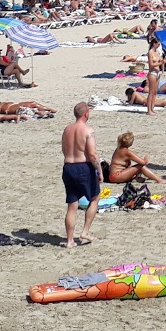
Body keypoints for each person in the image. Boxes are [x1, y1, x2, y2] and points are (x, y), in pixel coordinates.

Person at [61, 102, 99, 248]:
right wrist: (99, 171)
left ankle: (70, 240)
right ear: (86, 114)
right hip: (83, 166)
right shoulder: (88, 130)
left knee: (72, 205)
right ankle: (85, 231)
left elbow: (64, 149)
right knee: (94, 198)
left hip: (68, 166)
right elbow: (92, 154)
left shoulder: (67, 130)